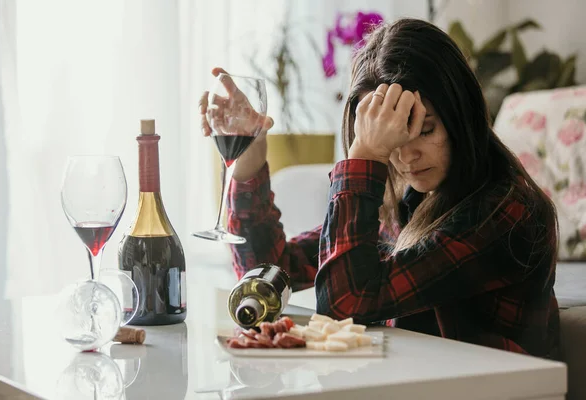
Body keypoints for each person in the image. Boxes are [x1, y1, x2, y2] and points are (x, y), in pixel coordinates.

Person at [199, 18, 560, 359]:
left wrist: (366, 154)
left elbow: (343, 303)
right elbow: (271, 271)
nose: (405, 156)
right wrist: (250, 161)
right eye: (393, 137)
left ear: (461, 114)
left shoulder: (505, 211)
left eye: (425, 129)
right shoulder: (410, 201)